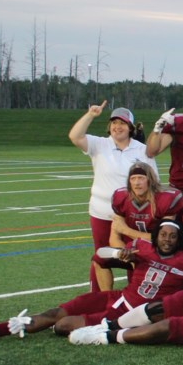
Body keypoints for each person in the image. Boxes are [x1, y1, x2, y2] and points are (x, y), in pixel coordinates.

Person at [0, 220, 183, 343]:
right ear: (156, 236)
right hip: (118, 297)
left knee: (63, 326)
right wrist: (119, 254)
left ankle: (98, 331)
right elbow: (99, 255)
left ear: (179, 240)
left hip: (133, 314)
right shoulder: (142, 248)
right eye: (163, 235)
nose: (167, 239)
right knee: (56, 311)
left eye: (172, 236)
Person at [68, 101, 157, 291]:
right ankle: (98, 298)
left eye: (123, 123)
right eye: (114, 123)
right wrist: (91, 114)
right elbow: (75, 136)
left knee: (133, 254)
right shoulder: (100, 144)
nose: (118, 127)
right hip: (101, 212)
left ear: (130, 127)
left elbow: (153, 183)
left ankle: (134, 296)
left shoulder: (142, 149)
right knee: (101, 256)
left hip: (132, 214)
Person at [96, 164, 183, 285]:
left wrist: (126, 231)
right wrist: (125, 253)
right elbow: (114, 237)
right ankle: (106, 299)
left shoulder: (166, 199)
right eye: (133, 179)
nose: (137, 183)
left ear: (150, 180)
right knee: (98, 258)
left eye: (141, 178)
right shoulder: (121, 198)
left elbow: (163, 239)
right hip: (132, 251)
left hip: (159, 252)